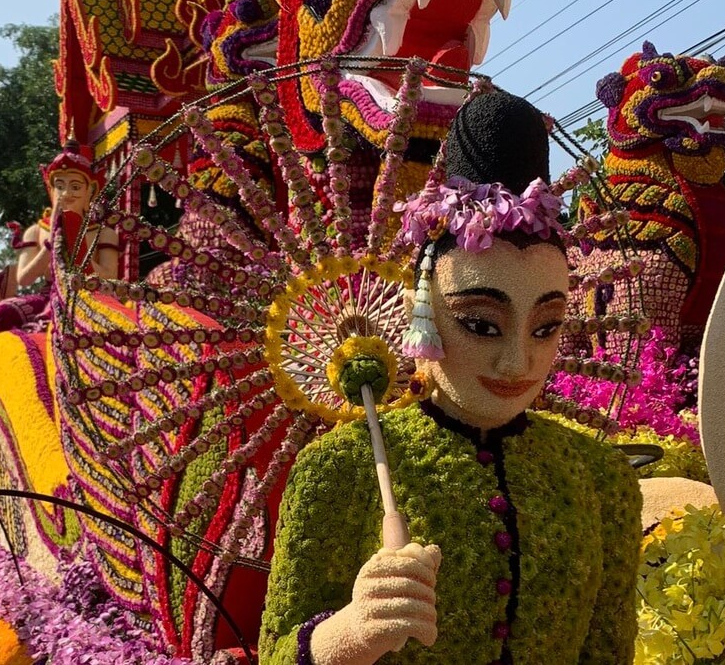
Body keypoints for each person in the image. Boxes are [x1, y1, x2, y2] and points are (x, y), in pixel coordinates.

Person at [259, 91, 642, 665]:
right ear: (425, 313)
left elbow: (608, 652)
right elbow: (276, 652)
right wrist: (349, 633)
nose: (518, 365)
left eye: (545, 327)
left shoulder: (602, 479)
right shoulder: (343, 467)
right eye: (481, 325)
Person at [0, 140, 118, 333]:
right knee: (2, 314)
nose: (66, 193)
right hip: (47, 297)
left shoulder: (103, 233)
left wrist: (78, 248)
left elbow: (110, 278)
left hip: (90, 297)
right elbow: (24, 278)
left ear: (90, 191)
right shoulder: (36, 230)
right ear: (51, 190)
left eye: (75, 187)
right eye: (59, 186)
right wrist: (52, 242)